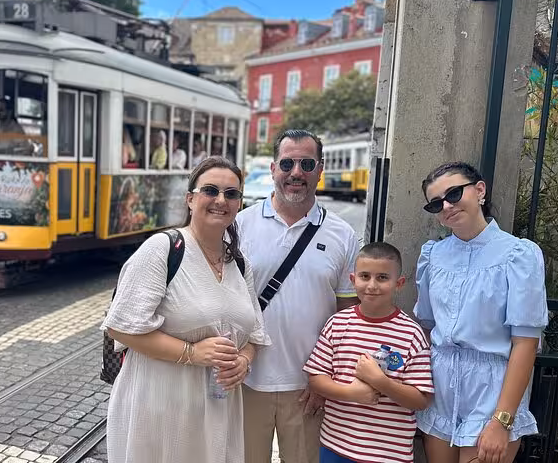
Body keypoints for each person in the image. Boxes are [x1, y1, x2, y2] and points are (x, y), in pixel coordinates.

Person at [101, 156, 271, 463]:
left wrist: (243, 362)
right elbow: (120, 326)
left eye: (231, 194)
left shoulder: (239, 264)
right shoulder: (163, 249)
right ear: (190, 199)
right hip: (160, 407)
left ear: (239, 204)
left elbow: (255, 334)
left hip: (218, 408)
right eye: (211, 190)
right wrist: (192, 353)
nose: (221, 200)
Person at [236, 129, 360, 463]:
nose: (296, 173)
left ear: (320, 169)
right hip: (246, 381)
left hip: (309, 385)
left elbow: (347, 314)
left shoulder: (343, 234)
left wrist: (329, 379)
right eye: (288, 163)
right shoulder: (240, 225)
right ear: (274, 168)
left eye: (306, 163)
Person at [414, 161, 549, 463]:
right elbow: (426, 325)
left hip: (493, 391)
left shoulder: (518, 255)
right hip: (441, 389)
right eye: (436, 203)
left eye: (453, 193)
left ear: (479, 190)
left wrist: (502, 420)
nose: (446, 206)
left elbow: (525, 343)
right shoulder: (432, 256)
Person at [303, 242, 434, 463]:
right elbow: (316, 378)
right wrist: (352, 394)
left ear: (399, 283)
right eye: (365, 276)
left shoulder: (411, 334)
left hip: (388, 455)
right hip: (336, 447)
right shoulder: (337, 324)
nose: (372, 285)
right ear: (353, 280)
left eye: (382, 278)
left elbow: (421, 399)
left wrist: (381, 383)